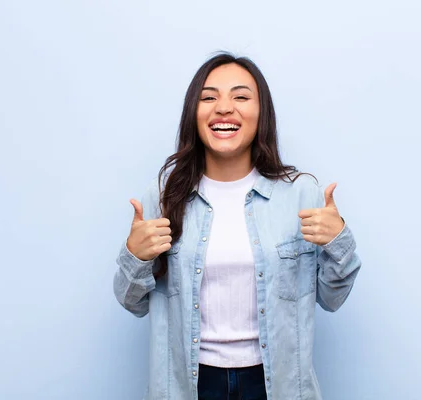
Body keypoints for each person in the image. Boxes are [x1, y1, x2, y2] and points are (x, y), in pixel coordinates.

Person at [113, 52, 362, 400]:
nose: (224, 108)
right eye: (209, 97)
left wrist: (339, 240)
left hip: (276, 384)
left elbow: (332, 298)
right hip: (190, 384)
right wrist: (135, 256)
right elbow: (132, 302)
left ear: (261, 114)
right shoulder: (162, 198)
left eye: (241, 97)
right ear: (194, 114)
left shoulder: (301, 194)